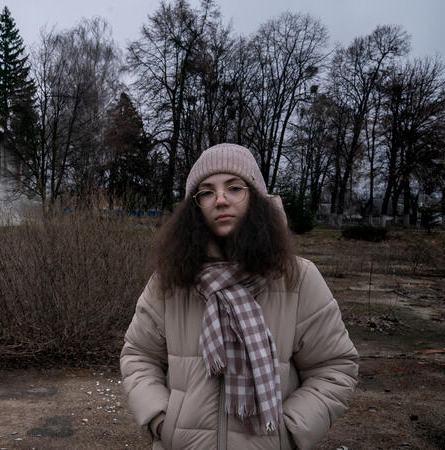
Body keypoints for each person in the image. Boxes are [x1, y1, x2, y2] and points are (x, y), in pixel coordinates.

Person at [120, 143, 358, 450]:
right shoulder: (169, 281)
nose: (220, 199)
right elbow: (138, 356)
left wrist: (288, 431)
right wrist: (163, 420)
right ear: (195, 207)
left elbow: (335, 368)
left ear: (256, 199)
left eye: (234, 188)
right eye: (206, 192)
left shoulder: (297, 279)